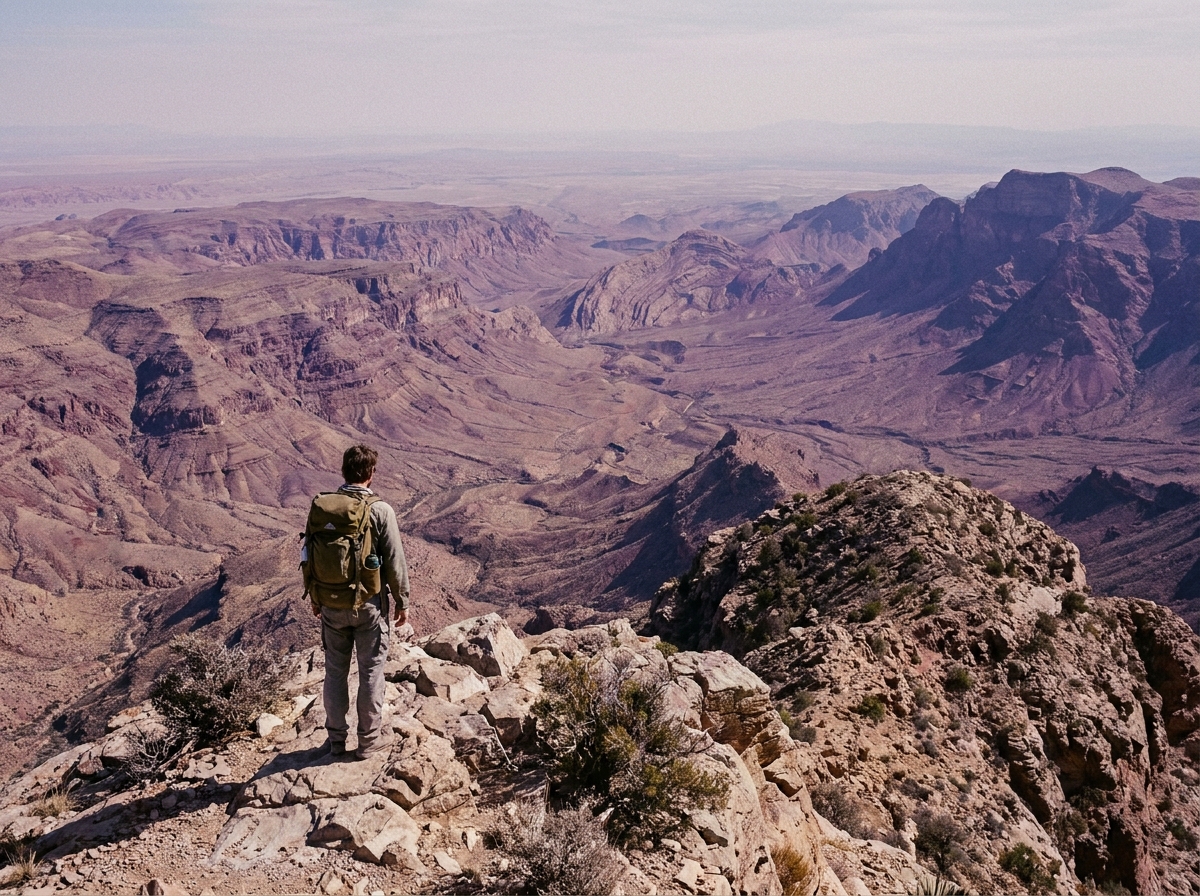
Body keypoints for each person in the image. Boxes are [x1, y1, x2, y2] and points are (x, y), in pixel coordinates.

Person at [311, 444, 410, 759]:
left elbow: (308, 556)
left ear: (343, 471)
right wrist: (402, 600)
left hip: (330, 603)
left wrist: (315, 597)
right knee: (371, 671)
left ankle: (335, 743)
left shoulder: (323, 507)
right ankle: (368, 743)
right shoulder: (380, 510)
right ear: (371, 473)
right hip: (368, 605)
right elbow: (394, 561)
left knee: (335, 672)